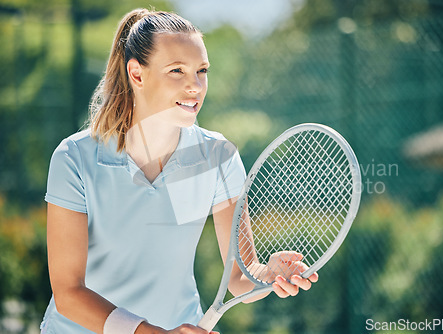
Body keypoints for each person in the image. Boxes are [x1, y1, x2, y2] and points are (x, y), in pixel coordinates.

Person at [41, 8, 318, 334]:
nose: (195, 86)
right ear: (137, 74)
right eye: (177, 71)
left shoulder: (218, 157)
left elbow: (240, 275)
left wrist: (266, 275)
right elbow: (69, 293)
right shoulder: (75, 158)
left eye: (202, 71)